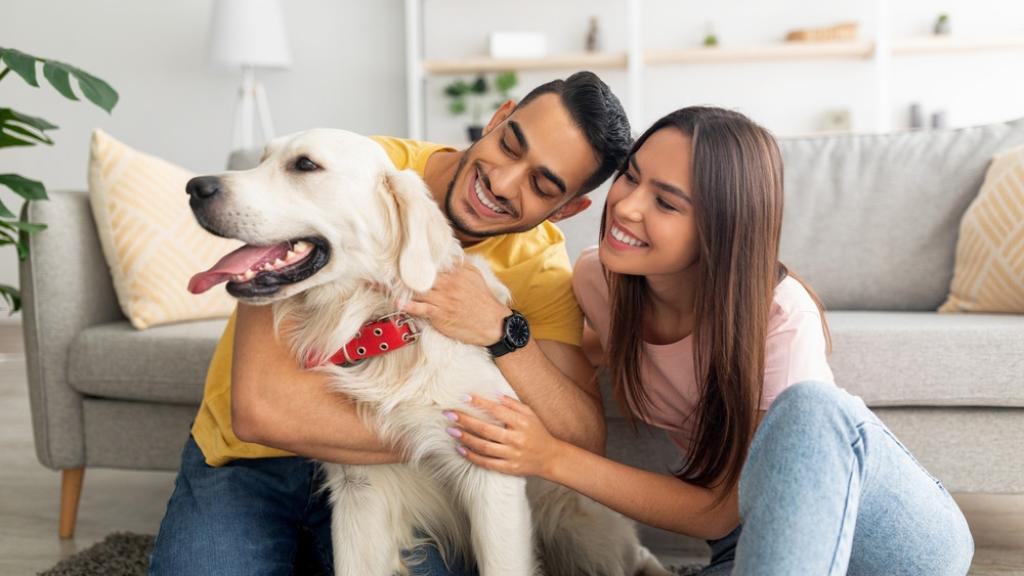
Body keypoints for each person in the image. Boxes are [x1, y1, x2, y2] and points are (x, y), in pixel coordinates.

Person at [430, 107, 976, 575]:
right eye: (630, 176)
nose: (626, 206)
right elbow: (569, 357)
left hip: (881, 543)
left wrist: (549, 457)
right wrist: (492, 327)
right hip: (745, 552)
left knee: (812, 409)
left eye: (666, 203)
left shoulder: (780, 317)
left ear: (721, 227)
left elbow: (721, 508)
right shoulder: (601, 282)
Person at [148, 71, 632, 576]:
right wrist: (469, 436)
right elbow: (261, 412)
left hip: (404, 477)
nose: (503, 182)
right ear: (498, 118)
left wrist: (502, 329)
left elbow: (576, 442)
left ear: (568, 208)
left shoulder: (540, 263)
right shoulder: (356, 167)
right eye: (511, 145)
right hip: (251, 462)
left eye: (542, 184)